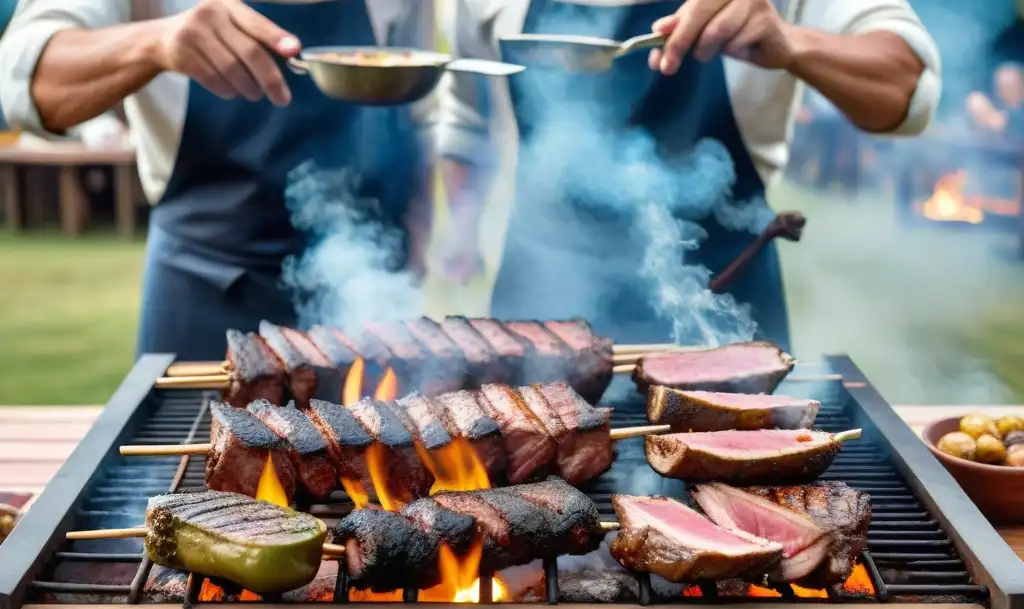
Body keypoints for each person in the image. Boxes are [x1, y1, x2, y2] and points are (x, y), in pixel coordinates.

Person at [437, 0, 941, 348]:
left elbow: (908, 91)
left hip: (721, 308)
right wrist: (462, 234)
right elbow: (465, 120)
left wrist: (790, 43)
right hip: (536, 301)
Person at [0, 0, 436, 360]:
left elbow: (417, 111)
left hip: (367, 290)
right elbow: (22, 81)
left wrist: (418, 238)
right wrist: (155, 42)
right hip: (204, 288)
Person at [967, 63, 1024, 136]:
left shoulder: (1018, 117)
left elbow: (999, 123)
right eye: (999, 86)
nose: (1001, 92)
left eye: (1008, 86)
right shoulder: (998, 105)